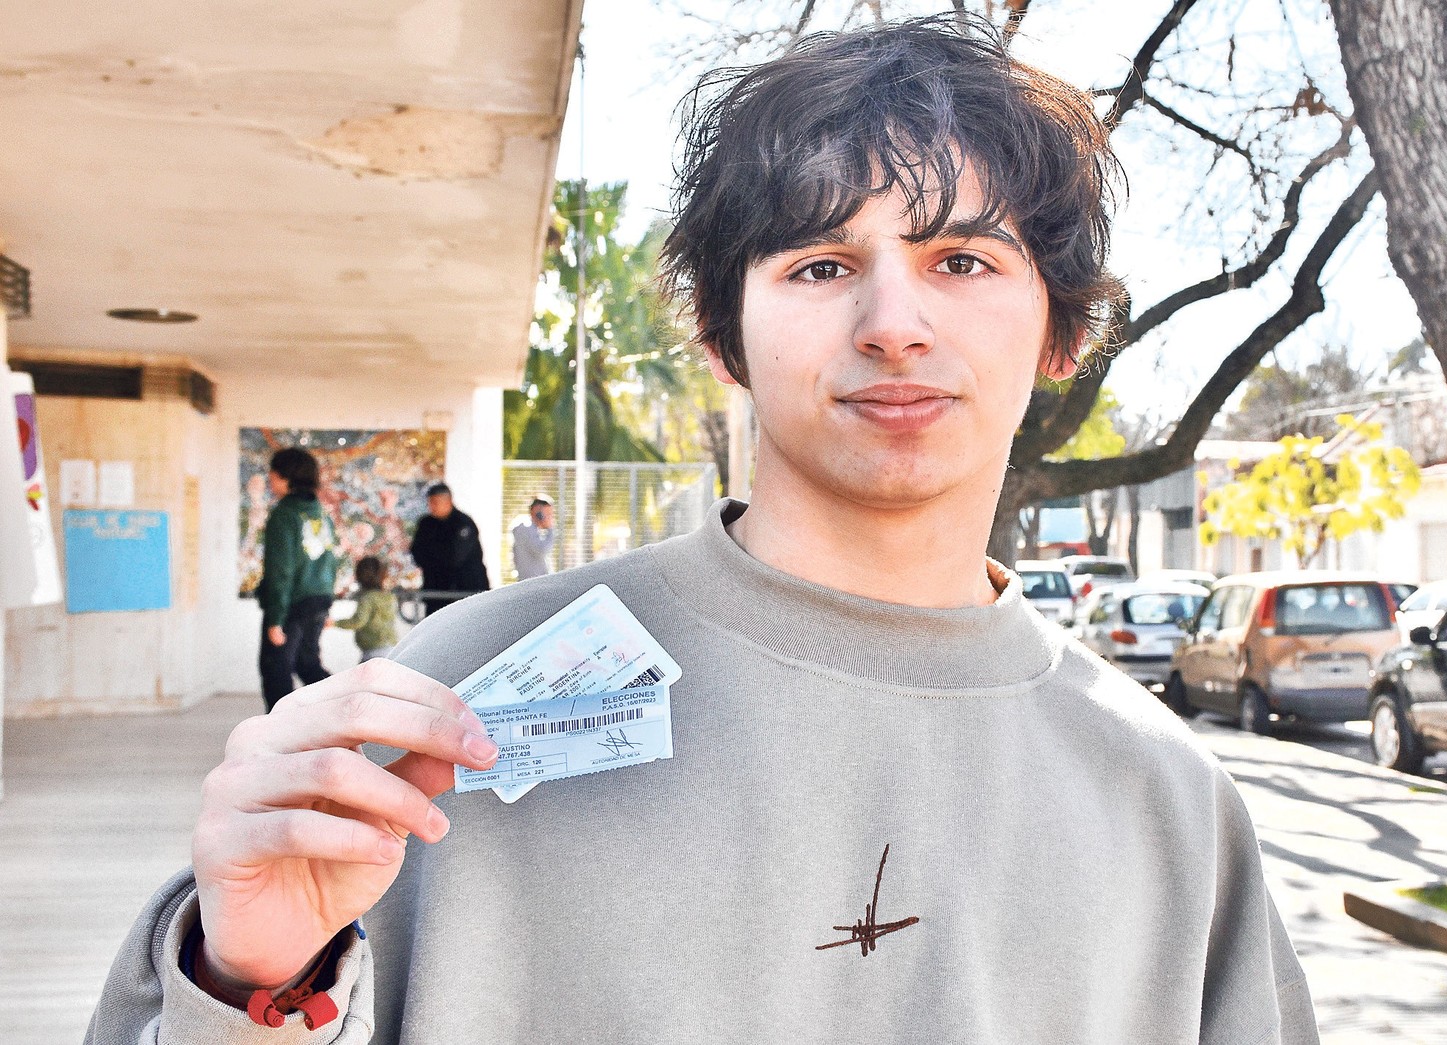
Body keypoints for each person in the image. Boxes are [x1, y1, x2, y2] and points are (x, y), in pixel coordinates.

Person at [89, 18, 1317, 1043]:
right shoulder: (449, 711)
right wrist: (245, 983)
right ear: (723, 334)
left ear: (1060, 330)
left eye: (962, 260)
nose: (892, 322)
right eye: (821, 266)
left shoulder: (1167, 802)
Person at [255, 447, 337, 712]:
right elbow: (330, 562)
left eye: (274, 473)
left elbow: (281, 570)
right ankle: (344, 709)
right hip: (317, 600)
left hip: (291, 603)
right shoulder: (321, 513)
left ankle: (280, 733)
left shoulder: (284, 515)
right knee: (307, 663)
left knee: (275, 668)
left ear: (286, 477)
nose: (269, 478)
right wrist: (326, 607)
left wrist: (276, 619)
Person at [408, 481, 489, 615]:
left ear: (448, 501)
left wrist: (432, 553)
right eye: (430, 502)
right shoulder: (426, 524)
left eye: (435, 503)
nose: (431, 507)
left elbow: (454, 558)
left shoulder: (463, 523)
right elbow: (417, 553)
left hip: (464, 592)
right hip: (436, 591)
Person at [328, 556, 400, 662]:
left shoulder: (367, 598)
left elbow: (358, 621)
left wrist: (334, 623)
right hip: (391, 647)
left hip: (373, 650)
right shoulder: (389, 597)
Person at [509, 495, 556, 580]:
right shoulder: (526, 527)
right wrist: (550, 529)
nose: (550, 519)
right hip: (533, 582)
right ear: (537, 511)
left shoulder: (531, 528)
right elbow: (542, 550)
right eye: (548, 514)